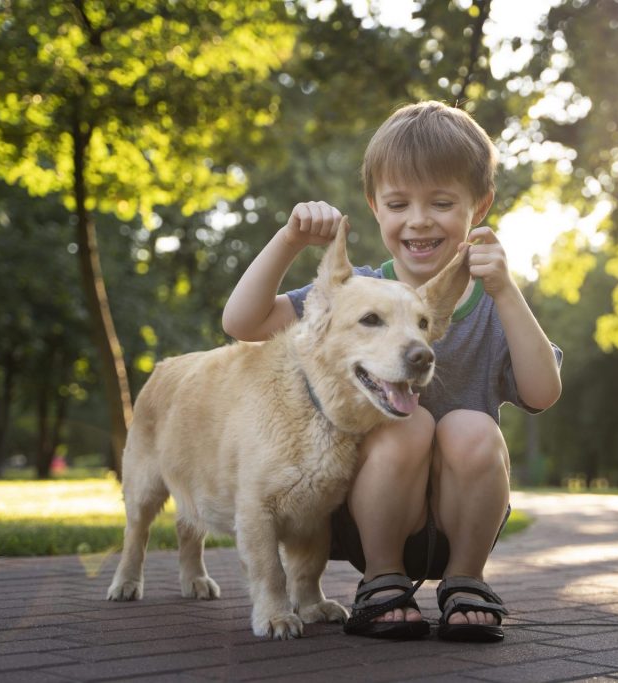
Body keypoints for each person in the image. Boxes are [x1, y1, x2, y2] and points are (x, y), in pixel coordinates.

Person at [222, 101, 562, 642]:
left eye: (443, 202)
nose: (420, 219)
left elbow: (543, 394)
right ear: (374, 208)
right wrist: (289, 239)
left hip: (460, 523)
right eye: (399, 202)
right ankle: (382, 581)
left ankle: (466, 581)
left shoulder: (496, 300)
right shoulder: (354, 292)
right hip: (367, 521)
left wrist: (507, 291)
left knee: (470, 426)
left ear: (481, 205)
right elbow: (244, 322)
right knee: (409, 423)